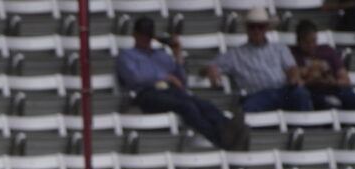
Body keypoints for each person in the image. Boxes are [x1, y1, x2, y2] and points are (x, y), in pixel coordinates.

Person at [117, 17, 249, 150]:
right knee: (187, 106)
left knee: (203, 104)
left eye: (148, 35)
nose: (145, 39)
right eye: (142, 35)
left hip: (171, 92)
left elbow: (182, 80)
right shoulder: (127, 55)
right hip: (146, 94)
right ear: (135, 35)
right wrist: (164, 77)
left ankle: (230, 129)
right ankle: (222, 140)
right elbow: (134, 78)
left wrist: (177, 54)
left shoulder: (162, 55)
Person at [202, 7, 313, 113]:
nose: (256, 31)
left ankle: (306, 129)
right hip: (257, 95)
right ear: (247, 28)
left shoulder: (280, 48)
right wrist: (210, 68)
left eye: (260, 27)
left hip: (282, 91)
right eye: (252, 27)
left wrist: (294, 77)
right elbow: (207, 67)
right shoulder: (235, 54)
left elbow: (291, 67)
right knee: (249, 108)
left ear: (266, 27)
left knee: (301, 94)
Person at [292, 19, 355, 110]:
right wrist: (311, 80)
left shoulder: (327, 51)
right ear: (299, 42)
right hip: (311, 92)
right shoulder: (293, 55)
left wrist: (333, 82)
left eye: (314, 41)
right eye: (307, 43)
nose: (311, 46)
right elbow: (294, 81)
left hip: (333, 88)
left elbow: (345, 78)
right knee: (327, 104)